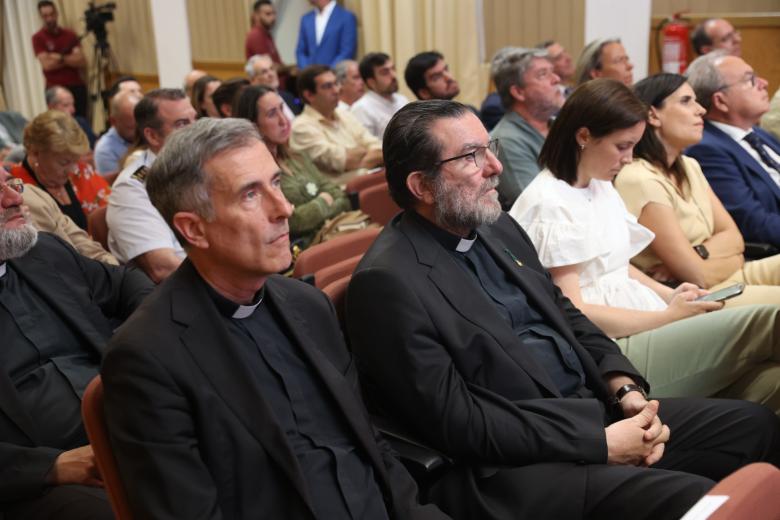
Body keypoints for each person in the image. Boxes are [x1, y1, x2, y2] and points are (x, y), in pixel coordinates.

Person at [346, 99, 780, 520]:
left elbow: (566, 315)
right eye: (470, 157)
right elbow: (459, 422)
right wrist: (598, 444)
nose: (495, 167)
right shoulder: (388, 282)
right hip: (517, 464)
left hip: (594, 410)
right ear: (421, 185)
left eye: (488, 149)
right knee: (700, 501)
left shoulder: (498, 227)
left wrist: (625, 389)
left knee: (754, 427)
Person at [100, 117, 448, 520]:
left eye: (277, 184)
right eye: (251, 195)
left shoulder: (307, 304)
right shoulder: (147, 357)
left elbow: (370, 442)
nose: (284, 208)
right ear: (194, 229)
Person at [509, 78, 780, 409]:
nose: (628, 158)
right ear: (583, 137)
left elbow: (618, 266)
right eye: (622, 146)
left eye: (634, 146)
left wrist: (673, 295)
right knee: (770, 320)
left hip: (642, 319)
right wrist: (669, 316)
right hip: (611, 349)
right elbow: (574, 312)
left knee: (771, 378)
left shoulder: (597, 184)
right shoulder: (550, 203)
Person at [0, 168, 153, 519]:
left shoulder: (43, 253)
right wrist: (51, 466)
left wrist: (147, 340)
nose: (14, 199)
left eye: (10, 183)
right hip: (40, 477)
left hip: (131, 418)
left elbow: (128, 284)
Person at [614, 73, 780, 307]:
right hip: (697, 294)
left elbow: (736, 239)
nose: (700, 110)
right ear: (653, 115)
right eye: (685, 101)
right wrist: (722, 256)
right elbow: (697, 276)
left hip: (732, 274)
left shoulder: (689, 166)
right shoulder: (639, 179)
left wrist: (699, 252)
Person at [236, 85, 352, 248]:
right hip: (302, 250)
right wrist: (324, 200)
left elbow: (340, 195)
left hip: (335, 233)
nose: (284, 120)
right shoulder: (255, 173)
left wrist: (314, 209)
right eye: (271, 114)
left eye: (282, 109)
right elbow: (292, 222)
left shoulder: (298, 156)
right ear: (254, 126)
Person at [684, 52, 780, 248]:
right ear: (720, 101)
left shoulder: (760, 135)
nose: (764, 83)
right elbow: (753, 222)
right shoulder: (706, 150)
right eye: (750, 80)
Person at [107, 89, 197, 283]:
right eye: (182, 124)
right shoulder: (132, 189)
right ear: (153, 136)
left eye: (195, 120)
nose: (196, 131)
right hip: (183, 296)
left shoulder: (202, 168)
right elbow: (163, 268)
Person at [490, 47, 564, 208]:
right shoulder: (507, 141)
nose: (556, 79)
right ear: (518, 92)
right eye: (543, 74)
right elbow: (538, 206)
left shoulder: (561, 126)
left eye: (553, 72)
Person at [11, 110, 109, 231]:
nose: (73, 169)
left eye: (75, 160)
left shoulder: (81, 170)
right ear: (35, 153)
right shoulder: (17, 188)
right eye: (64, 163)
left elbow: (109, 213)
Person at [290, 65, 383, 184]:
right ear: (309, 95)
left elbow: (379, 148)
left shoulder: (344, 114)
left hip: (365, 183)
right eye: (328, 86)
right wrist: (364, 153)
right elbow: (344, 161)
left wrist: (359, 159)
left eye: (336, 83)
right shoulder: (301, 127)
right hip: (338, 196)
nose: (337, 90)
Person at [32, 1, 87, 118]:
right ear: (41, 17)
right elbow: (47, 65)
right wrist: (69, 59)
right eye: (45, 16)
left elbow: (81, 61)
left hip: (76, 85)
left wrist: (59, 57)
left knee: (82, 123)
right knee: (61, 124)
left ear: (57, 14)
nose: (49, 19)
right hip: (55, 90)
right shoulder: (38, 38)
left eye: (52, 14)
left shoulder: (70, 34)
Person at [350, 53, 409, 138]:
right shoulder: (361, 109)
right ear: (371, 82)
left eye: (393, 69)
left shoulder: (402, 100)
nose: (393, 75)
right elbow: (369, 147)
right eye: (385, 72)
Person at [295, 0, 357, 68]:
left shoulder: (346, 17)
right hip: (310, 76)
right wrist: (307, 71)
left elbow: (347, 51)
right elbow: (300, 51)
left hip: (336, 75)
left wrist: (328, 73)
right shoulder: (306, 19)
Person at [94, 90, 141, 178]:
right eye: (131, 127)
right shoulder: (105, 150)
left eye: (140, 125)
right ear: (113, 121)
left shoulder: (150, 131)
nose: (139, 132)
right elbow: (119, 187)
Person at [245, 0, 282, 65]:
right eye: (268, 14)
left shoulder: (266, 34)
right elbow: (269, 66)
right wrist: (289, 69)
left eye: (274, 13)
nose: (273, 17)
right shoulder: (256, 35)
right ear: (256, 16)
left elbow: (277, 62)